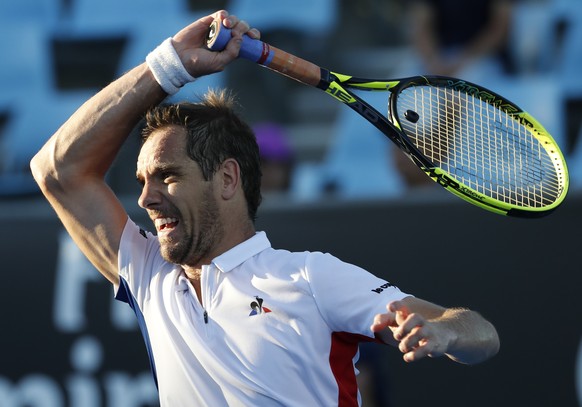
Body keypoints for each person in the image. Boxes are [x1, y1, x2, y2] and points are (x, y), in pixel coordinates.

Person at [30, 10, 500, 406]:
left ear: (227, 179)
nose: (146, 197)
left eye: (168, 176)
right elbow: (56, 170)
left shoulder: (311, 278)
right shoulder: (150, 275)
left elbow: (480, 333)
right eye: (142, 181)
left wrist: (442, 333)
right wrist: (168, 66)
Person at [406, 0, 514, 83]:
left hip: (485, 57)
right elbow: (421, 27)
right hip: (441, 56)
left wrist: (463, 60)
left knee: (459, 87)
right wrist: (433, 62)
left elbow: (499, 29)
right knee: (406, 85)